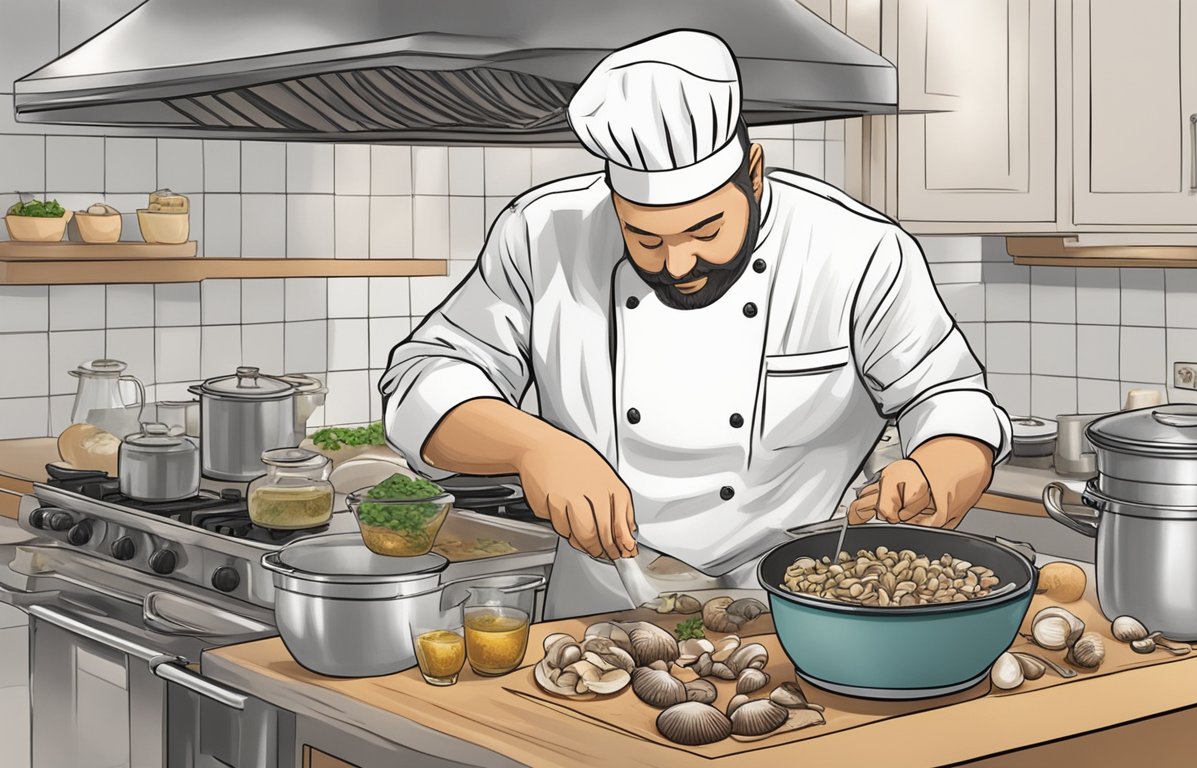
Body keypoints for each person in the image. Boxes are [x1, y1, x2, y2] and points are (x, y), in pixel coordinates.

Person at [379, 29, 1011, 619]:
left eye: (705, 230)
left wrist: (937, 466)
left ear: (755, 176)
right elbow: (422, 381)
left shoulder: (857, 252)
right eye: (643, 237)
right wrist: (535, 446)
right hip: (600, 608)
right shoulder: (543, 233)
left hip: (795, 605)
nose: (677, 262)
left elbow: (950, 400)